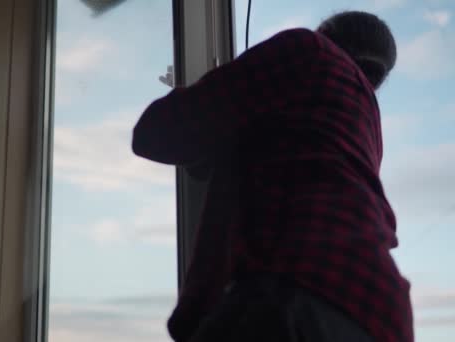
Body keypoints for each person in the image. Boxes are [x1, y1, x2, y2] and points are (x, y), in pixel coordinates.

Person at [132, 10, 413, 342]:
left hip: (298, 290)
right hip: (379, 314)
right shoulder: (365, 125)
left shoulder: (310, 51)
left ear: (325, 34)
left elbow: (157, 132)